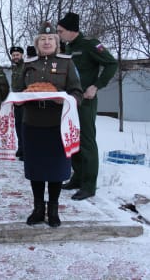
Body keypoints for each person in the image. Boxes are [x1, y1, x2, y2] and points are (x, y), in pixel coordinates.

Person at [15, 21, 83, 227]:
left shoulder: (67, 63)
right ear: (37, 43)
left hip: (57, 123)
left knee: (56, 169)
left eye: (50, 39)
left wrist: (64, 100)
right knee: (36, 169)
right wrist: (20, 99)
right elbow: (18, 89)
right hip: (33, 123)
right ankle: (38, 209)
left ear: (57, 42)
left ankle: (53, 209)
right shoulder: (28, 63)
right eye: (42, 39)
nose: (46, 42)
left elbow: (77, 93)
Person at [57, 12, 118, 200]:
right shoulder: (68, 47)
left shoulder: (90, 44)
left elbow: (111, 63)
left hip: (85, 101)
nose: (59, 34)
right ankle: (78, 177)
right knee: (72, 139)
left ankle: (89, 185)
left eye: (61, 31)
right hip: (69, 101)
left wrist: (96, 86)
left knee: (86, 142)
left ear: (71, 30)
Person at [9, 46, 25, 160]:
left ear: (21, 55)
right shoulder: (14, 68)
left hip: (24, 101)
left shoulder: (25, 66)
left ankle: (26, 151)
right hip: (16, 100)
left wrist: (22, 98)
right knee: (18, 126)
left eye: (17, 55)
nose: (15, 57)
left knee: (24, 127)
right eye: (13, 55)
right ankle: (21, 148)